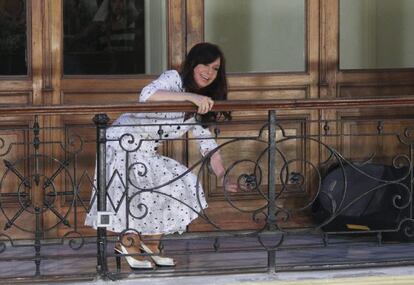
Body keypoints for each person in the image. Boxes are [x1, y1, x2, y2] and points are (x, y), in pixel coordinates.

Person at [85, 42, 237, 269]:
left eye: (215, 68)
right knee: (135, 192)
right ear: (193, 64)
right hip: (122, 141)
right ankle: (128, 243)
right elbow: (146, 95)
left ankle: (152, 246)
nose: (209, 72)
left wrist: (222, 174)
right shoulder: (174, 78)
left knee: (179, 182)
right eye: (204, 65)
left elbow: (208, 145)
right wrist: (191, 98)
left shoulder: (201, 106)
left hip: (145, 150)